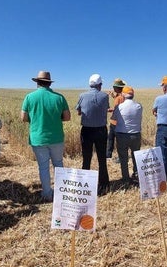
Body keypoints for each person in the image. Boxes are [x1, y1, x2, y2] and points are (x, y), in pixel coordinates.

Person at [21, 71, 70, 201]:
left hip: (38, 138)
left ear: (37, 82)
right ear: (49, 83)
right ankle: (61, 193)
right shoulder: (59, 97)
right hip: (57, 137)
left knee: (43, 167)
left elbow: (23, 118)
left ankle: (47, 194)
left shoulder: (29, 97)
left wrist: (35, 118)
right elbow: (67, 117)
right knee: (58, 164)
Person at [76, 74, 110, 193]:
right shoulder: (105, 96)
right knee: (102, 158)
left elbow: (79, 112)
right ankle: (104, 185)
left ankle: (85, 184)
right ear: (100, 85)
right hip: (101, 130)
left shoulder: (82, 95)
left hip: (86, 130)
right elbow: (106, 108)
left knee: (86, 158)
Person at [111, 86, 142, 183]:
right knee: (136, 156)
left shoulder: (119, 107)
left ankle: (125, 178)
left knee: (123, 158)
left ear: (123, 94)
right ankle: (136, 175)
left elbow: (113, 118)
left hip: (122, 135)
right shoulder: (139, 106)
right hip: (136, 135)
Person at [106, 78, 126, 162]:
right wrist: (113, 95)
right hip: (120, 122)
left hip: (115, 122)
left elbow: (117, 109)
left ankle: (109, 155)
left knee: (111, 139)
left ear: (117, 88)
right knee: (117, 140)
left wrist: (108, 110)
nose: (113, 88)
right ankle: (114, 155)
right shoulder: (122, 96)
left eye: (114, 87)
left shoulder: (119, 98)